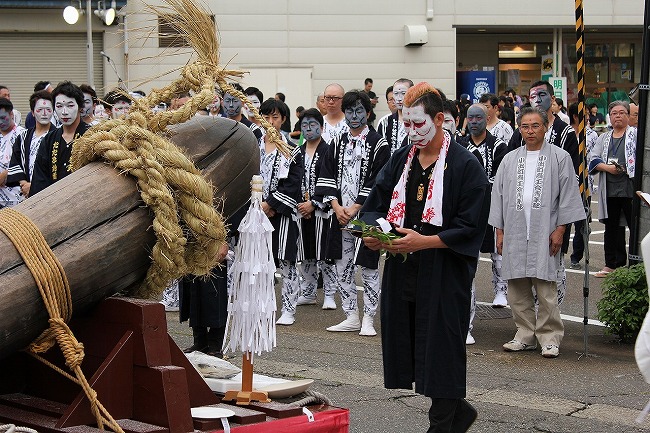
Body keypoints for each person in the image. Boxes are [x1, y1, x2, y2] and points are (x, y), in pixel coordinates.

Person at [360, 82, 488, 432]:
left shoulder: (465, 165)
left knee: (442, 345)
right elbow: (377, 203)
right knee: (415, 341)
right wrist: (373, 235)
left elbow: (470, 225)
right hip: (404, 265)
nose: (412, 131)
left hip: (444, 268)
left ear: (440, 119)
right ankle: (457, 412)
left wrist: (424, 242)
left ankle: (442, 423)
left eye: (419, 124)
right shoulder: (402, 159)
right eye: (406, 124)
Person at [490, 106, 585, 359]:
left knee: (545, 287)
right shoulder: (510, 159)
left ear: (545, 127)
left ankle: (550, 338)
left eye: (535, 126)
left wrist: (561, 229)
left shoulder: (560, 157)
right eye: (525, 126)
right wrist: (499, 232)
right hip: (515, 230)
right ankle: (524, 335)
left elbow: (568, 195)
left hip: (546, 229)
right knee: (516, 286)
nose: (530, 131)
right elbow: (498, 196)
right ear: (519, 129)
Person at [314, 90, 389, 336]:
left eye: (359, 111)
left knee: (368, 266)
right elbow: (325, 176)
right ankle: (350, 315)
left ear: (368, 113)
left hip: (366, 215)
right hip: (339, 214)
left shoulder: (379, 143)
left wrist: (356, 207)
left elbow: (379, 180)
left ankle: (368, 317)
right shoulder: (336, 142)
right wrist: (336, 206)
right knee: (341, 264)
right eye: (349, 111)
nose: (354, 116)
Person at [507, 80, 579, 305]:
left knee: (551, 269)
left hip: (552, 214)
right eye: (532, 96)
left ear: (552, 98)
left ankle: (549, 324)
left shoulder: (564, 131)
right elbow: (506, 172)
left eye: (541, 95)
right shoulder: (521, 131)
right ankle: (527, 327)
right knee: (522, 270)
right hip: (522, 215)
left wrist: (561, 225)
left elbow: (571, 179)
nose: (536, 100)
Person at [458, 104, 508, 344]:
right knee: (468, 264)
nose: (474, 122)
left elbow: (500, 179)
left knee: (497, 253)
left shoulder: (498, 145)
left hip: (492, 206)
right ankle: (465, 324)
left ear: (487, 118)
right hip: (468, 211)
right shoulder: (459, 145)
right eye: (471, 118)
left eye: (479, 117)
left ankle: (501, 289)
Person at [257, 98, 304, 326]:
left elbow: (294, 184)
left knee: (286, 262)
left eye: (275, 117)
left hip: (283, 215)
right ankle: (263, 305)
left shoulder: (292, 150)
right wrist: (258, 205)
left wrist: (271, 205)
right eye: (266, 117)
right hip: (255, 212)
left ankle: (288, 308)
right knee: (260, 262)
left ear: (283, 120)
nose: (270, 122)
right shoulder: (252, 145)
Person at [294, 108, 337, 309]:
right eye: (304, 126)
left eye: (312, 125)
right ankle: (309, 292)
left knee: (324, 255)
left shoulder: (329, 151)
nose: (308, 129)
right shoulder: (297, 152)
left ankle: (329, 294)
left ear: (321, 127)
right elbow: (292, 180)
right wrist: (302, 206)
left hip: (323, 211)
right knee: (306, 254)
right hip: (301, 211)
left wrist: (314, 203)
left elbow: (332, 182)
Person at [589, 101, 637, 278]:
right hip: (609, 189)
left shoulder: (635, 135)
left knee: (635, 227)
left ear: (628, 115)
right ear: (610, 116)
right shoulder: (604, 138)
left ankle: (635, 264)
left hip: (630, 189)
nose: (618, 116)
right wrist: (608, 168)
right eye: (614, 113)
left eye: (622, 112)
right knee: (612, 228)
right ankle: (612, 264)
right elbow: (593, 158)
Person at [31, 81, 90, 196]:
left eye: (70, 105)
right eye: (59, 106)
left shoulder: (91, 136)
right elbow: (39, 180)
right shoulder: (49, 140)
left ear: (80, 107)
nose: (64, 112)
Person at [180, 242, 230, 357]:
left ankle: (215, 344)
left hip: (214, 239)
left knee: (213, 290)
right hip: (190, 242)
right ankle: (200, 341)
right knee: (192, 289)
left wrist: (223, 241)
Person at [6, 90, 56, 199]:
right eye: (40, 110)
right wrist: (24, 184)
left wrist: (34, 186)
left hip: (50, 193)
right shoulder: (23, 137)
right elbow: (15, 161)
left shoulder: (57, 136)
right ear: (32, 112)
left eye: (48, 109)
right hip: (26, 194)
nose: (44, 113)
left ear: (53, 111)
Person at [567, 102, 599, 269]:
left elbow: (594, 158)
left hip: (584, 183)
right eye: (585, 114)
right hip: (566, 182)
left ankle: (576, 256)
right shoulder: (566, 133)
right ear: (575, 116)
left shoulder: (592, 135)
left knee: (582, 220)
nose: (588, 117)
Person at [376, 78, 414, 154]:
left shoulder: (419, 121)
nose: (399, 98)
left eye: (403, 93)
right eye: (396, 94)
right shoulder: (384, 123)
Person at [0, 98, 26, 207]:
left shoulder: (23, 135)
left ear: (11, 114)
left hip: (17, 199)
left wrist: (5, 174)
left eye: (2, 118)